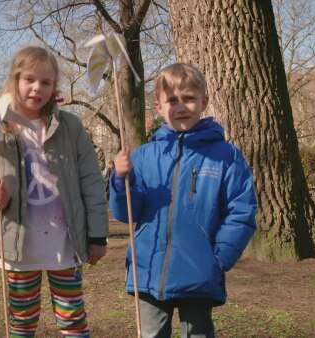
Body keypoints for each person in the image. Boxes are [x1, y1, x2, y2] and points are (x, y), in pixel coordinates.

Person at [109, 63, 257, 338]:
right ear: (158, 106)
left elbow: (241, 210)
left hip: (199, 269)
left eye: (189, 98)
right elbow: (125, 214)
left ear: (204, 101)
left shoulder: (225, 156)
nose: (180, 107)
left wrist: (220, 257)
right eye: (172, 100)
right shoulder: (142, 156)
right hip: (149, 268)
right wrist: (121, 181)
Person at [0, 46, 109, 337]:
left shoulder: (70, 125)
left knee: (72, 316)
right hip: (19, 244)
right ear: (15, 80)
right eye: (29, 79)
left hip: (65, 243)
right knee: (21, 319)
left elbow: (91, 181)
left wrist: (97, 235)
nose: (37, 88)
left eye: (46, 82)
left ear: (54, 87)